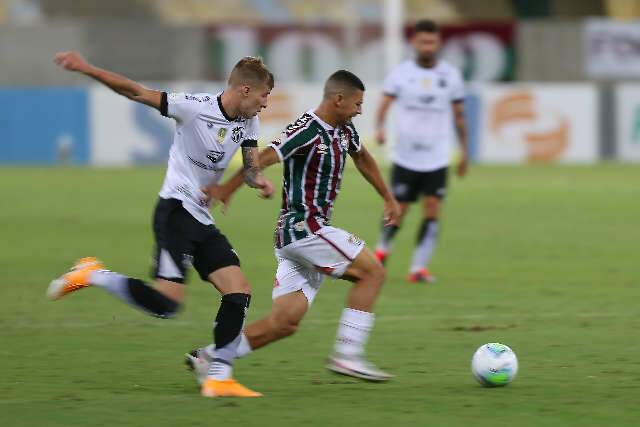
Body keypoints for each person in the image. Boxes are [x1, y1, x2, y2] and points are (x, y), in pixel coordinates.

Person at [47, 51, 275, 398]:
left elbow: (249, 167)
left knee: (238, 291)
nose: (265, 105)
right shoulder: (194, 107)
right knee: (167, 305)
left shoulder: (249, 123)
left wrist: (259, 181)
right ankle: (91, 274)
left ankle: (217, 375)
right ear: (245, 90)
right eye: (263, 97)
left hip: (201, 217)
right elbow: (137, 92)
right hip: (175, 211)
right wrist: (86, 68)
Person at [187, 70, 401, 383]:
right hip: (305, 229)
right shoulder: (308, 128)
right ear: (338, 99)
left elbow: (363, 157)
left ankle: (209, 357)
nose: (360, 110)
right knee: (373, 272)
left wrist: (388, 197)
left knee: (284, 323)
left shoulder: (344, 129)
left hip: (298, 238)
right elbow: (265, 157)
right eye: (357, 103)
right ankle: (348, 354)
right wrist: (226, 188)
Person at [374, 19, 469, 283]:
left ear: (438, 44)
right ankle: (382, 252)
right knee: (398, 209)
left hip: (437, 156)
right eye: (423, 41)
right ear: (414, 43)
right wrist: (379, 128)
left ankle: (418, 268)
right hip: (406, 156)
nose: (428, 46)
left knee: (432, 209)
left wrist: (465, 152)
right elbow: (384, 104)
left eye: (433, 42)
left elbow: (460, 117)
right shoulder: (401, 74)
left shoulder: (451, 76)